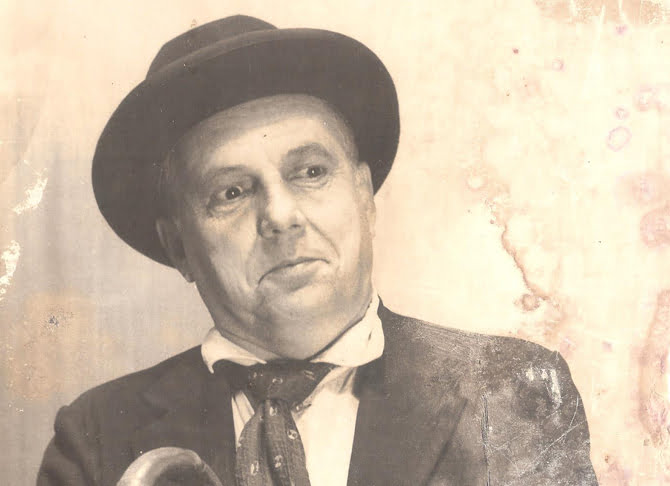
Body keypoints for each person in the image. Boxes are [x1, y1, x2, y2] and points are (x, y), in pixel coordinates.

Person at [37, 15, 598, 486]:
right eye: (231, 193)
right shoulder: (94, 437)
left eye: (309, 172)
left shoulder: (514, 390)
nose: (281, 216)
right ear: (179, 247)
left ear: (364, 194)